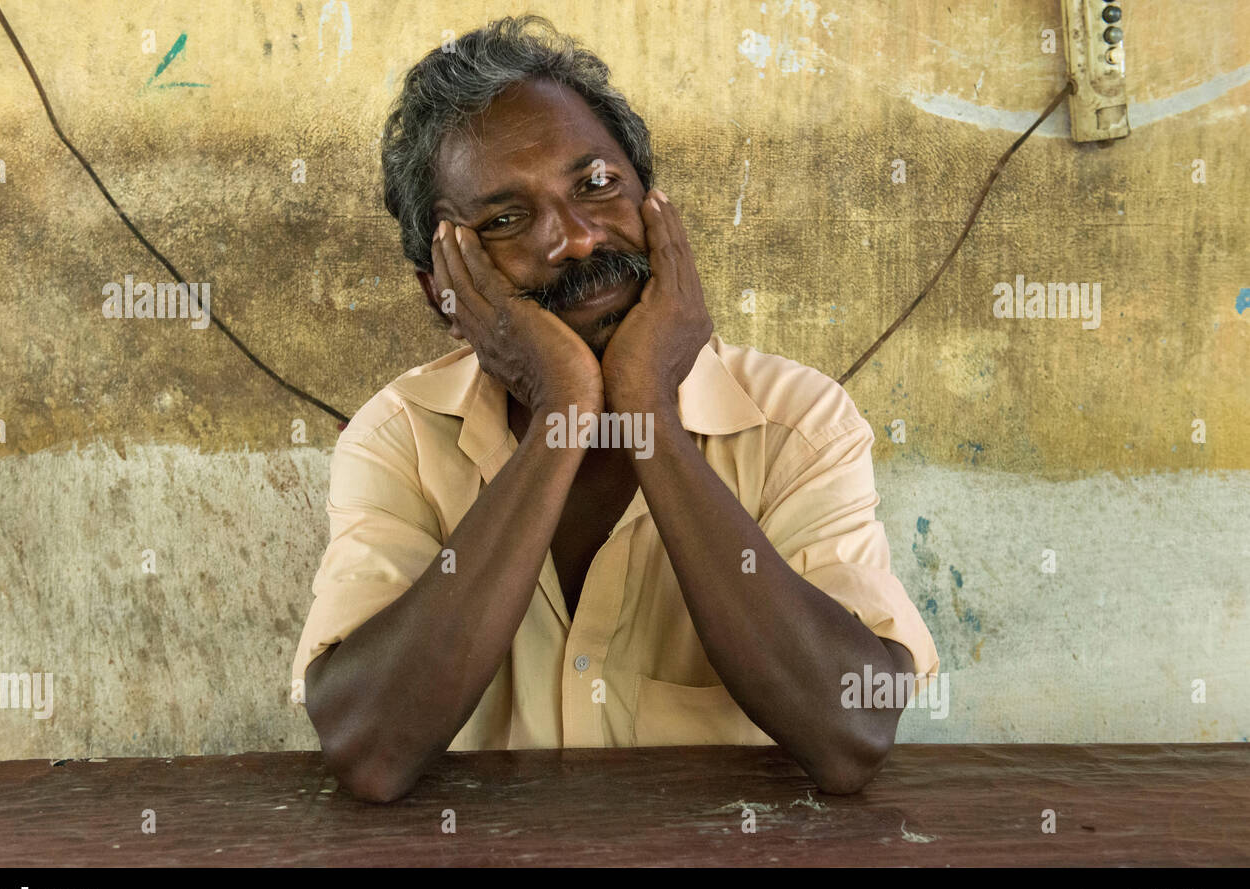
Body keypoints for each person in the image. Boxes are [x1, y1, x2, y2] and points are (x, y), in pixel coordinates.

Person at [292, 14, 938, 802]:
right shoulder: (398, 440)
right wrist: (564, 409)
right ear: (442, 288)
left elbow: (851, 731)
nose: (575, 239)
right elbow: (370, 749)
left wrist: (648, 414)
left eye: (596, 184)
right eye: (504, 219)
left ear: (650, 199)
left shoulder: (798, 423)